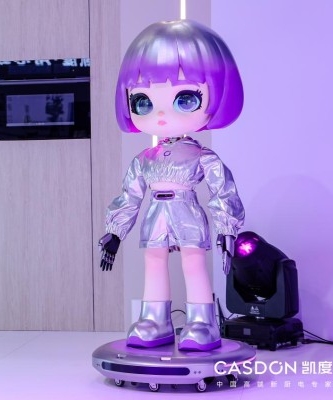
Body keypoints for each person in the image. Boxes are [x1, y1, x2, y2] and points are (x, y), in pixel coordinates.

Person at [99, 20, 245, 351]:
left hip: (186, 210)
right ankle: (155, 321)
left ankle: (202, 322)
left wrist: (227, 228)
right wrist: (115, 232)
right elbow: (130, 196)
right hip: (156, 213)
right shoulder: (145, 159)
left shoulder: (201, 155)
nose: (161, 115)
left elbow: (223, 191)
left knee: (193, 261)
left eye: (186, 98)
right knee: (153, 261)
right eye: (143, 102)